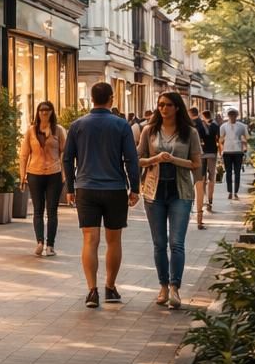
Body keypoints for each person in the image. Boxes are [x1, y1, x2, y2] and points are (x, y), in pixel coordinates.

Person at [62, 82, 141, 309]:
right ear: (111, 99)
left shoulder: (77, 125)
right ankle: (110, 287)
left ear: (91, 98)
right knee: (113, 241)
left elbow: (68, 159)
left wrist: (70, 189)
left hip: (86, 188)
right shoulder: (121, 125)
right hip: (115, 188)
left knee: (90, 240)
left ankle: (91, 291)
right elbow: (131, 159)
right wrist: (135, 188)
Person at [139, 93, 202, 311]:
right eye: (160, 105)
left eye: (167, 105)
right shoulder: (149, 131)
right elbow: (139, 159)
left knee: (176, 243)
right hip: (154, 192)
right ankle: (163, 286)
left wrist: (174, 160)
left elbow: (196, 163)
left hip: (180, 192)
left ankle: (175, 287)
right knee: (159, 243)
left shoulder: (189, 132)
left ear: (177, 108)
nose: (163, 108)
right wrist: (156, 159)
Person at [19, 100, 66, 257]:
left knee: (52, 210)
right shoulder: (31, 131)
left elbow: (64, 153)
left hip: (54, 173)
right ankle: (40, 242)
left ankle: (50, 245)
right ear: (37, 113)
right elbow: (24, 154)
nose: (44, 113)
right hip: (35, 173)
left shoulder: (58, 130)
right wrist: (22, 175)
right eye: (41, 110)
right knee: (38, 210)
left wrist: (65, 174)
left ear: (52, 112)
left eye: (47, 110)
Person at [190, 106, 219, 228]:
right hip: (212, 153)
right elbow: (218, 139)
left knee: (200, 181)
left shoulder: (193, 125)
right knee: (211, 177)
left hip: (200, 155)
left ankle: (198, 209)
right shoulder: (215, 125)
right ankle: (209, 200)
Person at [219, 108, 250, 200]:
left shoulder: (242, 126)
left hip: (238, 151)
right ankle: (229, 191)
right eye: (230, 115)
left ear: (237, 116)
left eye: (234, 115)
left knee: (237, 172)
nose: (232, 117)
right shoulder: (223, 126)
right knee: (228, 172)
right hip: (227, 151)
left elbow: (246, 137)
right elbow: (220, 139)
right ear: (228, 116)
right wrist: (221, 151)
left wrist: (245, 146)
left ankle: (235, 191)